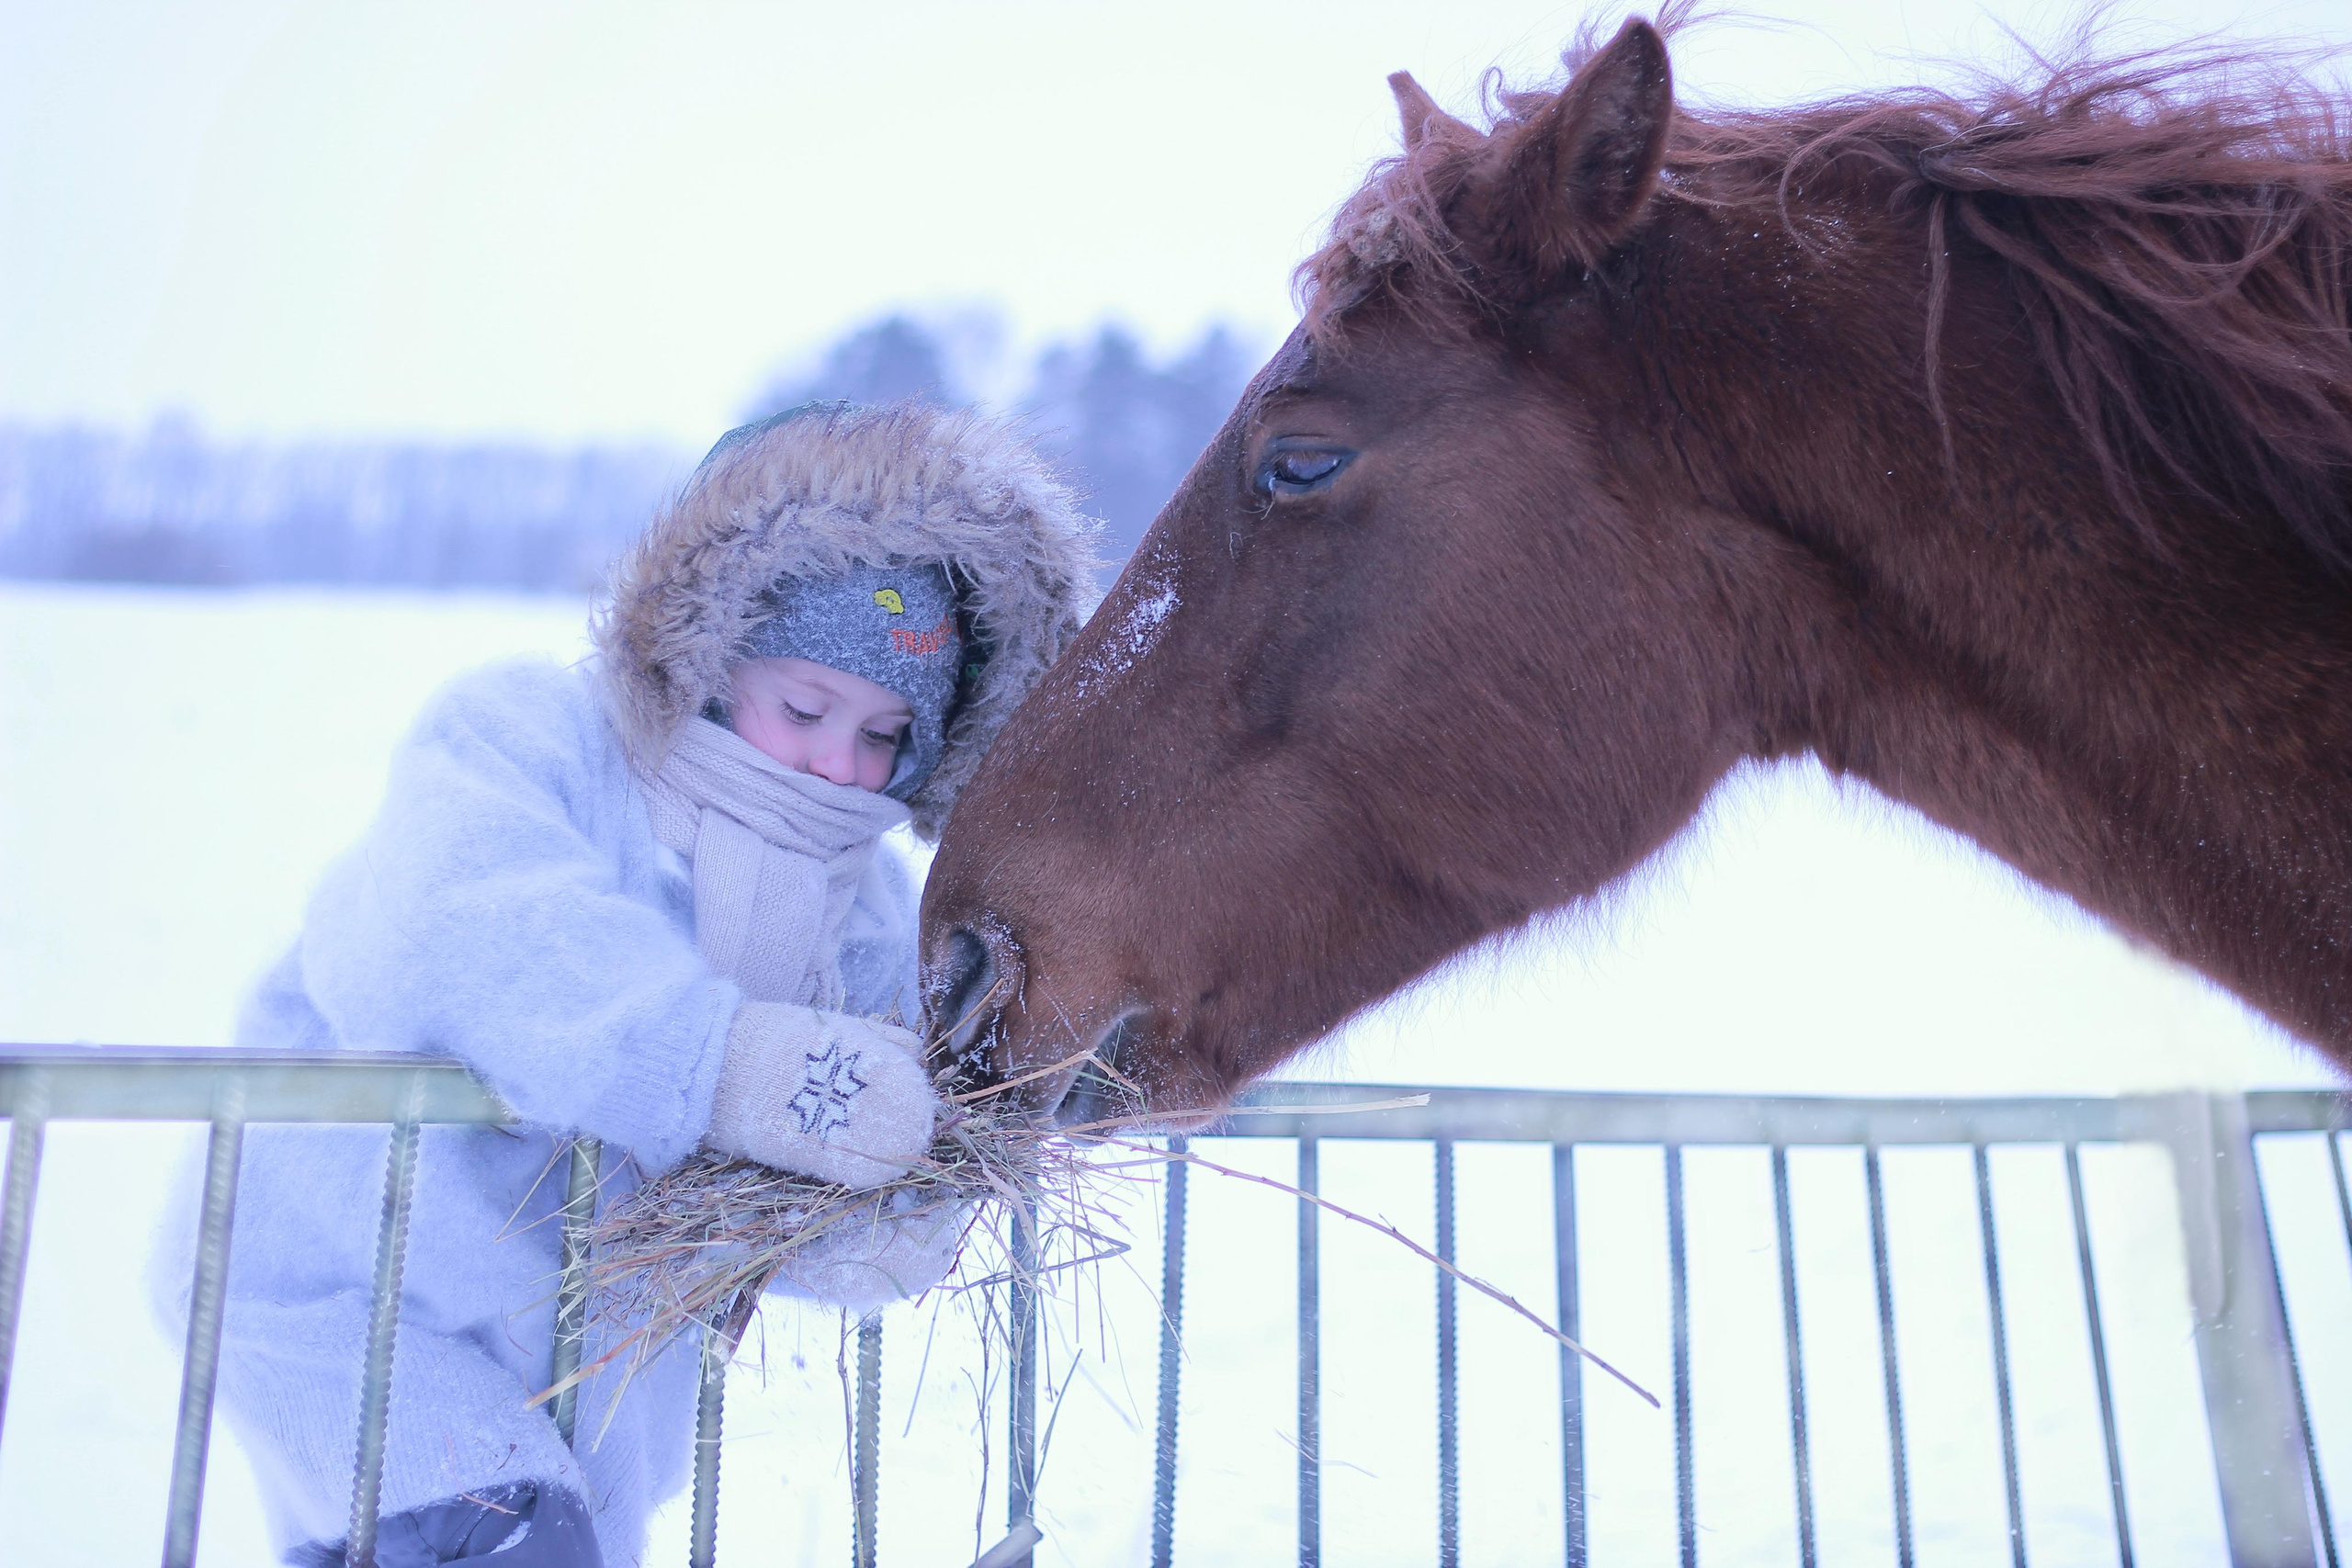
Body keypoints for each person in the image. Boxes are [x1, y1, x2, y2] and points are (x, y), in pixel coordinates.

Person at [150, 402, 1094, 1566]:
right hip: (359, 1308)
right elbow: (462, 928)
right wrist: (730, 1063)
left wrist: (919, 1192)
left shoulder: (861, 907)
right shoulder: (531, 737)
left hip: (588, 1397)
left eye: (884, 734)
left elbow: (821, 1186)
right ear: (709, 652)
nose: (837, 765)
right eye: (804, 708)